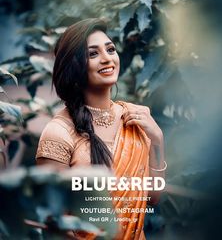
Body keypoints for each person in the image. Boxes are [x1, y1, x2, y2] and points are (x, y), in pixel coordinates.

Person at [36, 18, 166, 240]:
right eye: (93, 54)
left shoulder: (136, 117)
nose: (107, 59)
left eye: (110, 49)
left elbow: (151, 198)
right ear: (74, 66)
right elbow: (54, 220)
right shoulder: (58, 133)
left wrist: (157, 141)